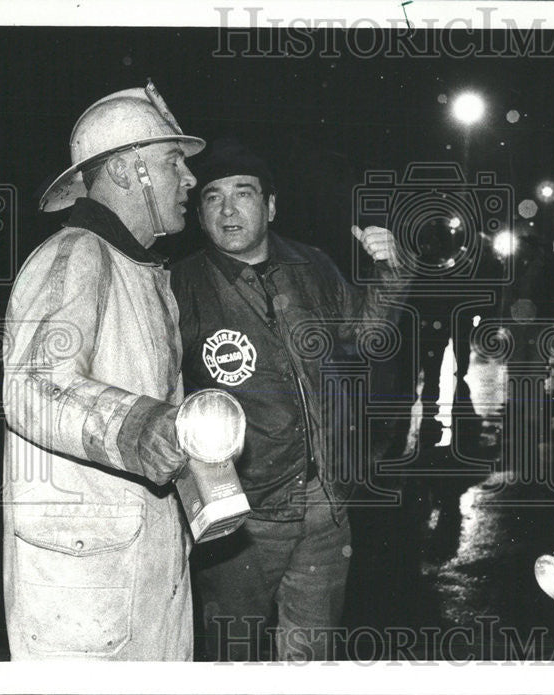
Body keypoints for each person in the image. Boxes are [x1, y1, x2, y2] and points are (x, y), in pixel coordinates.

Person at [170, 139, 401, 661]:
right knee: (235, 655)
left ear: (270, 206)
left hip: (325, 503)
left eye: (243, 193)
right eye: (212, 197)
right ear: (199, 212)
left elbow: (367, 334)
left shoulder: (312, 266)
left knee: (311, 656)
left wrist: (391, 272)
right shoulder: (179, 286)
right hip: (240, 517)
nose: (228, 209)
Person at [2, 82, 204, 659]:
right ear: (124, 170)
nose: (190, 180)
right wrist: (139, 427)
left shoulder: (142, 272)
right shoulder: (75, 256)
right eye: (173, 163)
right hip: (86, 589)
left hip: (140, 568)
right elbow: (32, 388)